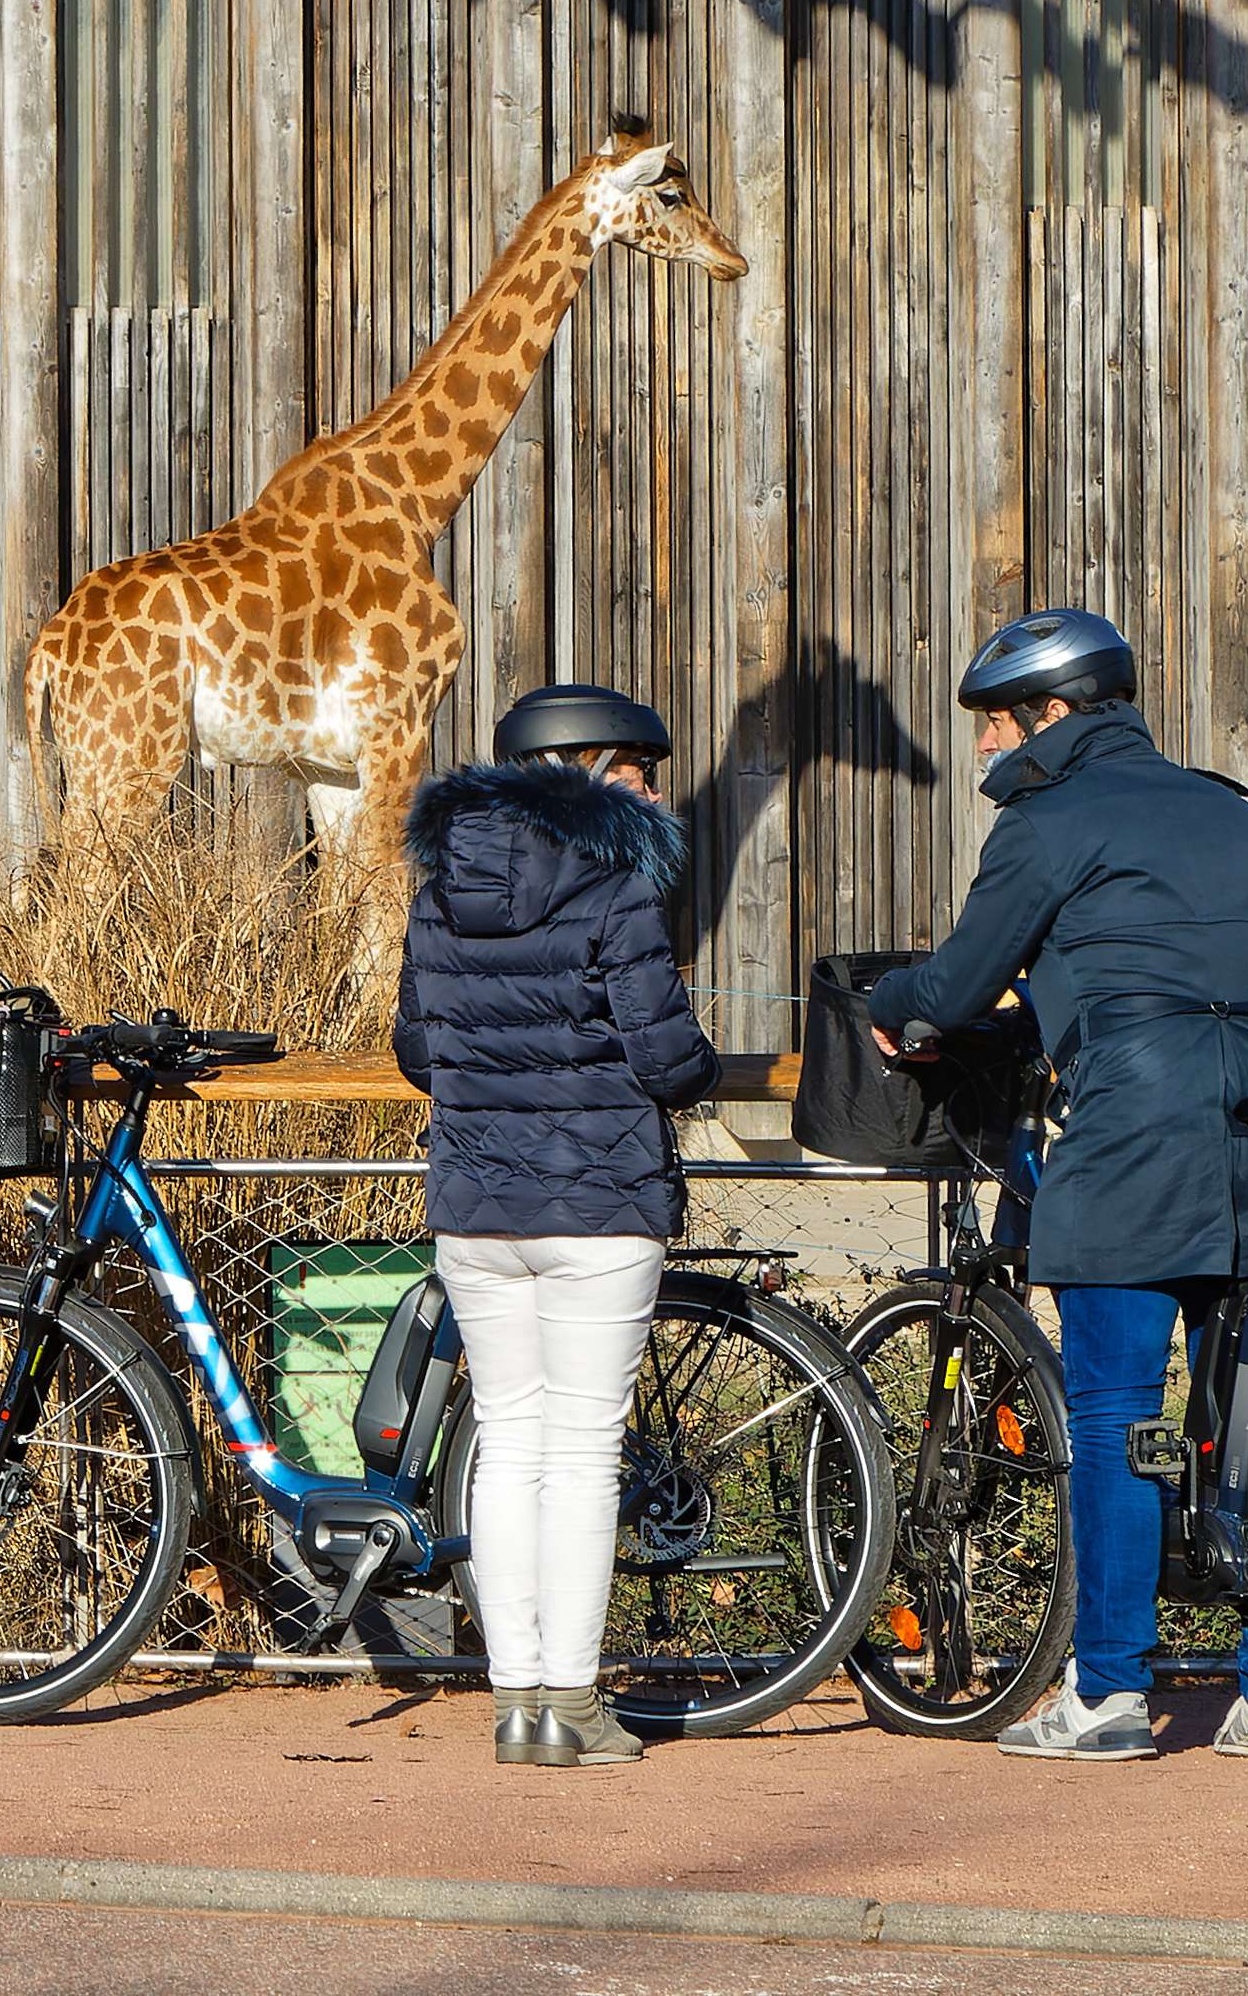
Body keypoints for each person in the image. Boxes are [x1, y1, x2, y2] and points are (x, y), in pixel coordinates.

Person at [867, 608, 1248, 1762]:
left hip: (1131, 1127)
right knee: (1246, 1418)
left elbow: (962, 982)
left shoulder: (1044, 819)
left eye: (992, 725)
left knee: (1117, 1411)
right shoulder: (1223, 807)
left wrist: (887, 1004)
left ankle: (1110, 1690)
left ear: (1049, 714)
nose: (982, 750)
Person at [394, 681, 718, 1767]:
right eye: (639, 767)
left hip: (475, 1208)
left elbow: (418, 1053)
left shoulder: (438, 890)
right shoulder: (613, 887)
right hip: (598, 1204)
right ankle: (573, 1705)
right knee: (581, 1452)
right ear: (586, 769)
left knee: (507, 1445)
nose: (655, 789)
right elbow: (666, 1057)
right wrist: (698, 1067)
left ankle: (513, 1703)